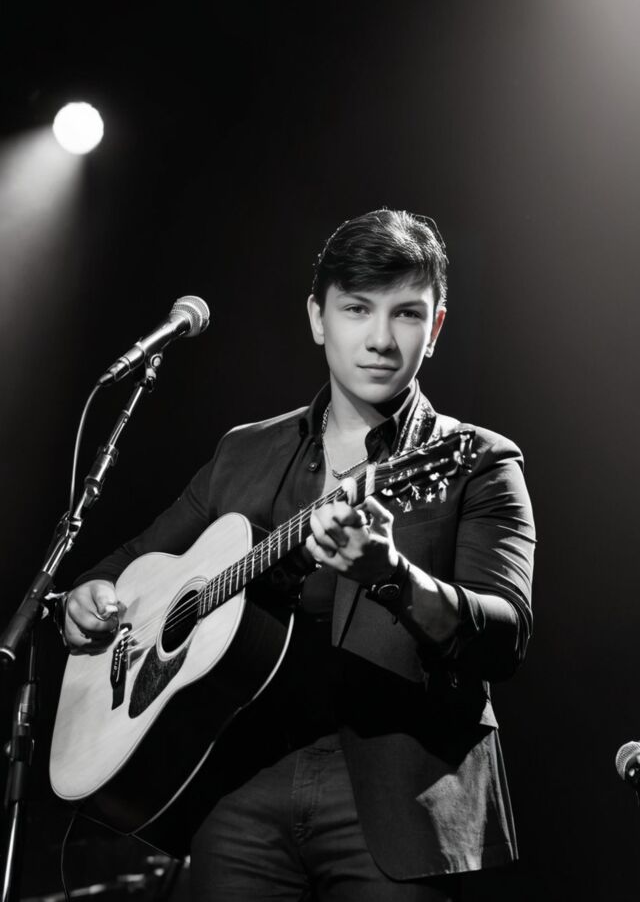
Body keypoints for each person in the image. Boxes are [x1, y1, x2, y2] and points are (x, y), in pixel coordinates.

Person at [61, 210, 535, 901]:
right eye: (356, 309)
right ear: (318, 318)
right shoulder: (245, 450)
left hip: (403, 799)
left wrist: (393, 577)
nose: (380, 338)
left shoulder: (477, 459)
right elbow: (131, 560)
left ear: (434, 328)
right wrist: (89, 594)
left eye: (406, 313)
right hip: (236, 788)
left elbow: (506, 636)